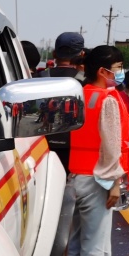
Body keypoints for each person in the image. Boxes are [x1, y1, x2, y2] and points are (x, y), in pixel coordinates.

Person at [63, 45, 129, 256]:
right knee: (96, 245)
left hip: (73, 176)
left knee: (77, 243)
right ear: (103, 71)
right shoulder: (108, 100)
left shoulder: (77, 96)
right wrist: (115, 181)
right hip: (97, 178)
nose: (119, 72)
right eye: (117, 67)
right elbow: (112, 144)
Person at [43, 32, 86, 171]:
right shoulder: (86, 81)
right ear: (82, 55)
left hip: (43, 143)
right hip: (76, 146)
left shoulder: (40, 77)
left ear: (54, 54)